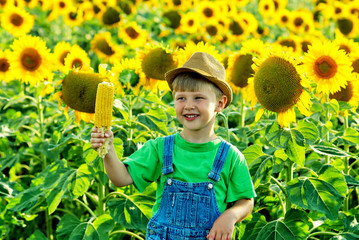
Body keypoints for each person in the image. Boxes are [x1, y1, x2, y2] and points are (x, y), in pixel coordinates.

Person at [91, 52, 256, 240]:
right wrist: (108, 150)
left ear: (220, 103)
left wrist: (231, 216)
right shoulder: (160, 148)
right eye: (181, 98)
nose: (188, 105)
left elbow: (246, 201)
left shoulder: (231, 157)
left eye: (198, 98)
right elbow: (121, 178)